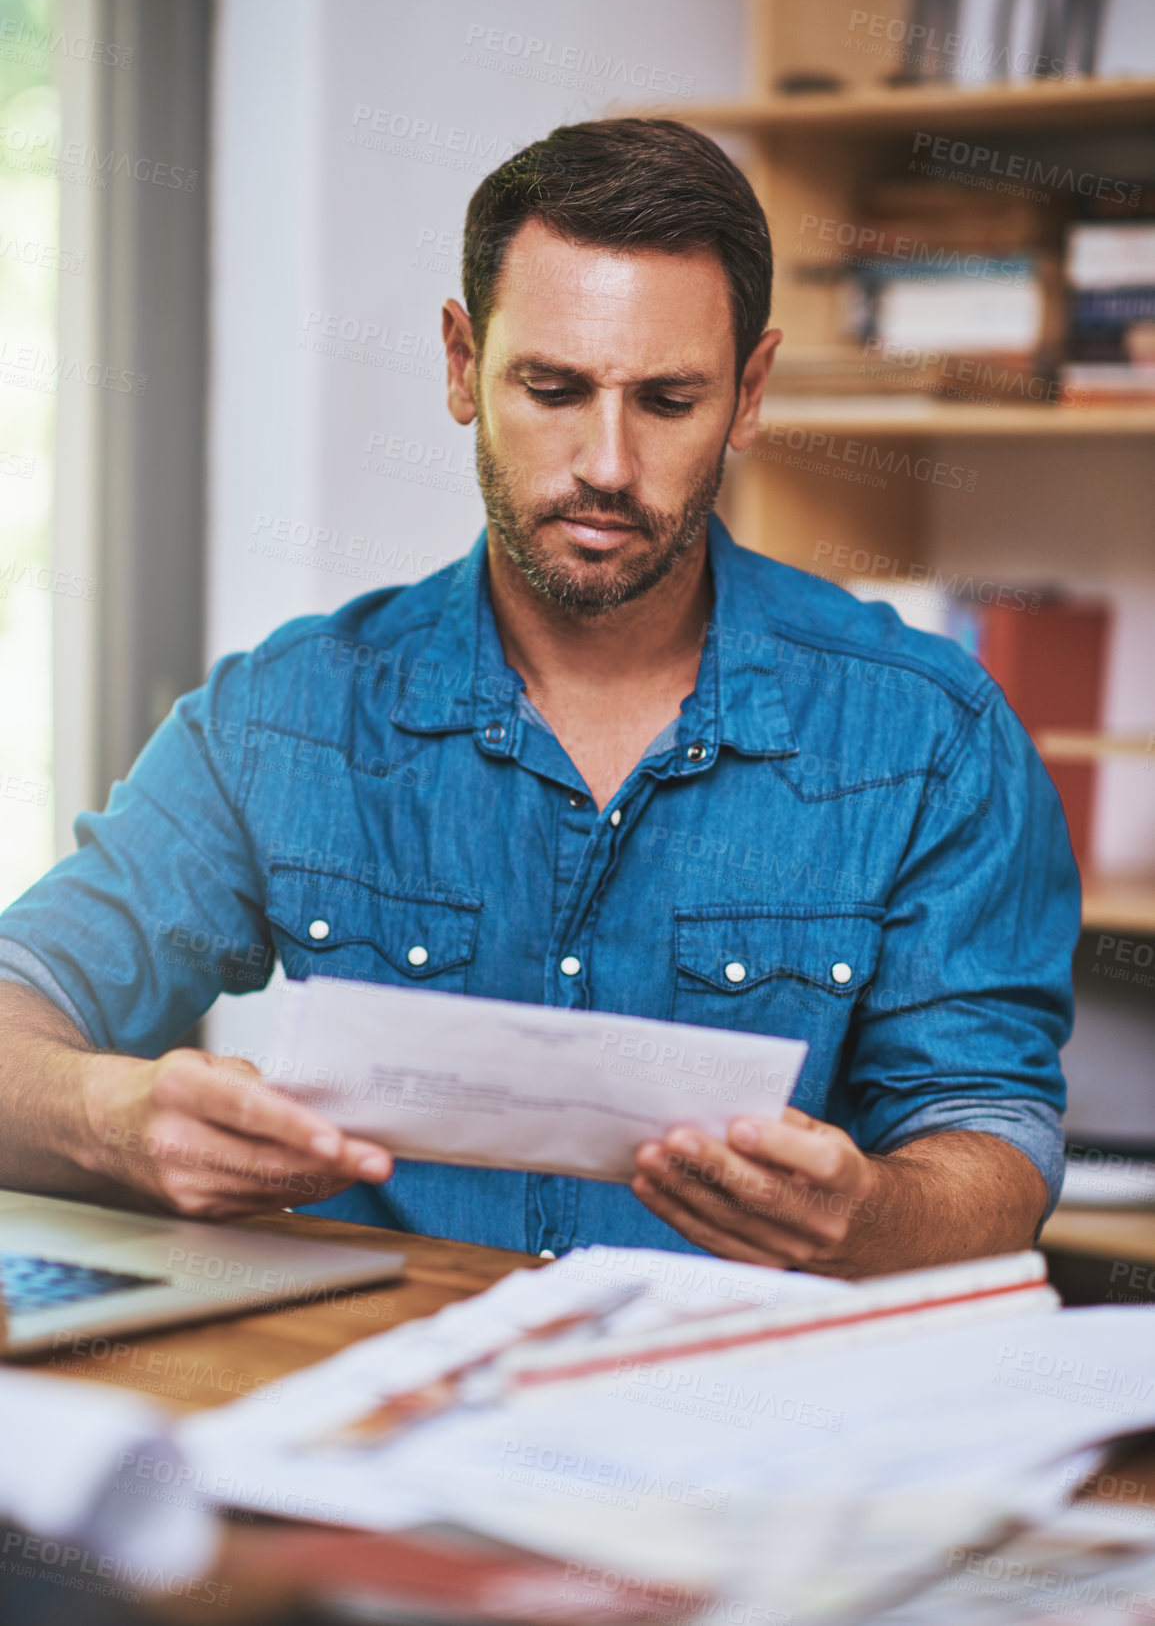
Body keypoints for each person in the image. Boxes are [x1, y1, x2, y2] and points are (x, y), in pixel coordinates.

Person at [0, 119, 1078, 1274]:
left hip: (744, 1419)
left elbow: (994, 1144)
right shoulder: (285, 716)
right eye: (554, 389)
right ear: (463, 365)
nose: (607, 464)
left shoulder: (931, 734)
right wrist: (114, 1123)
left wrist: (873, 1216)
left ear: (750, 393)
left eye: (667, 401)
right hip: (370, 1412)